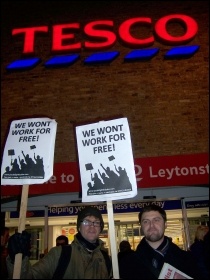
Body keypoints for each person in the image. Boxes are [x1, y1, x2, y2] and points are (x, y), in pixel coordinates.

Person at [6, 206, 112, 279]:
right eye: (86, 222)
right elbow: (29, 276)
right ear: (79, 227)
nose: (92, 226)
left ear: (101, 228)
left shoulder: (105, 258)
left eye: (96, 222)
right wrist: (17, 259)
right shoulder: (59, 254)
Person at [119, 204, 202, 279]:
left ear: (165, 224)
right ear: (141, 226)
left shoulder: (188, 260)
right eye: (146, 221)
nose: (151, 225)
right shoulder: (128, 263)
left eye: (156, 220)